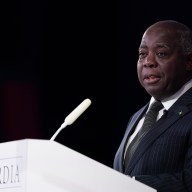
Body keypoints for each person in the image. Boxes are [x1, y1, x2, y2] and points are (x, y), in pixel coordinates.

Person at [113, 20, 192, 192]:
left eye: (161, 53)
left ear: (189, 61)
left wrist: (130, 185)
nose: (148, 62)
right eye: (142, 54)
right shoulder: (137, 117)